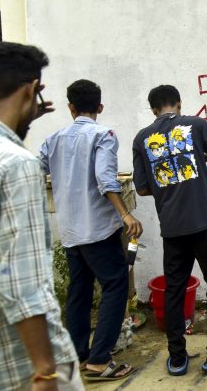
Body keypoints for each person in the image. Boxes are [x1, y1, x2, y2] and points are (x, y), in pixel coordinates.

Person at [0, 42, 83, 390]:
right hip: (19, 367)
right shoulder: (16, 165)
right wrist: (45, 371)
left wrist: (19, 119)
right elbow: (22, 283)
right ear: (31, 91)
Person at [132, 85, 207, 376]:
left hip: (173, 229)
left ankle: (177, 360)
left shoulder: (142, 138)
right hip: (206, 224)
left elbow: (143, 188)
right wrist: (204, 157)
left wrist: (169, 183)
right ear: (179, 104)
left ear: (153, 110)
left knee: (174, 291)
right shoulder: (195, 125)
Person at [39, 79, 141, 381]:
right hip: (97, 229)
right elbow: (105, 179)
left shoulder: (53, 139)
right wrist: (125, 214)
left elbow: (33, 170)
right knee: (115, 286)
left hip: (70, 230)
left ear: (70, 107)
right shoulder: (102, 134)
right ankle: (99, 361)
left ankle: (79, 355)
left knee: (79, 292)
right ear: (100, 106)